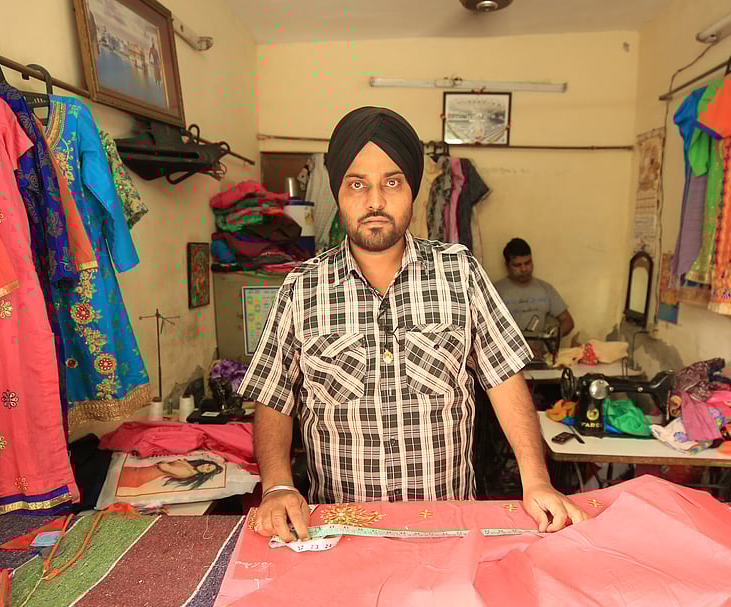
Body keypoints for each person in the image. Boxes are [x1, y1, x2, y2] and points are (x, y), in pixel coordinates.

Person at [239, 106, 586, 543]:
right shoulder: (300, 289)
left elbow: (504, 379)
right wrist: (278, 486)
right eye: (357, 184)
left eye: (391, 182)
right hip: (343, 531)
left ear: (412, 191)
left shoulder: (460, 274)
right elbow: (274, 396)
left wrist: (535, 479)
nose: (375, 202)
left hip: (448, 527)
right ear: (339, 193)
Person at [494, 238, 575, 356]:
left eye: (527, 263)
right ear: (507, 266)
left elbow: (568, 321)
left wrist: (551, 337)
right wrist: (520, 348)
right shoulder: (495, 291)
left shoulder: (545, 289)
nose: (524, 269)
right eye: (517, 265)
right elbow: (485, 331)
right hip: (507, 362)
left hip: (539, 358)